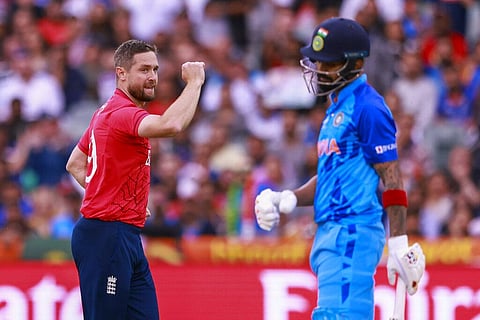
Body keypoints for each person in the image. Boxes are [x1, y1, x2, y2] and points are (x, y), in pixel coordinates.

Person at [254, 17, 425, 319]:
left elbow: (392, 176)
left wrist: (398, 242)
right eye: (318, 62)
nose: (319, 69)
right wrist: (287, 198)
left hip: (353, 232)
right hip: (332, 233)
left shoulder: (368, 107)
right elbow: (333, 175)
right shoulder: (337, 107)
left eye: (327, 63)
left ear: (353, 63)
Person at [65, 39, 205, 319]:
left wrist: (120, 198)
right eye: (143, 69)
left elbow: (75, 164)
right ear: (121, 73)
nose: (152, 77)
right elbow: (171, 124)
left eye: (154, 69)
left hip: (122, 234)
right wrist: (195, 83)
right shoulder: (122, 113)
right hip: (106, 236)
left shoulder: (104, 113)